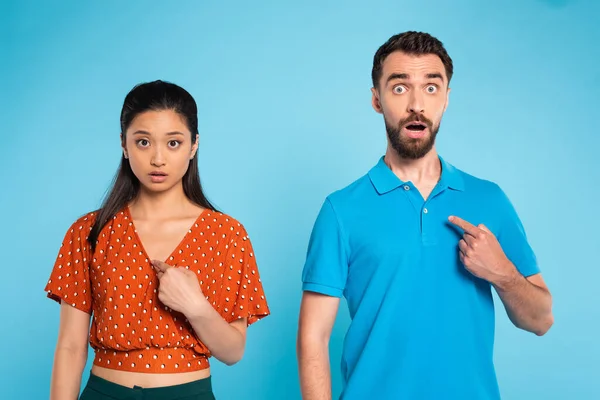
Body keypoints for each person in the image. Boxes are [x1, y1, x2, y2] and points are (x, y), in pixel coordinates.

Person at [297, 31, 553, 400]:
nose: (416, 104)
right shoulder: (341, 210)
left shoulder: (489, 199)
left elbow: (541, 320)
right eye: (399, 88)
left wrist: (503, 274)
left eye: (431, 88)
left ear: (447, 98)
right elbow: (313, 339)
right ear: (376, 99)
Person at [44, 80, 270, 400]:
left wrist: (195, 306)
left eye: (173, 143)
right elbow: (69, 346)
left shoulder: (227, 235)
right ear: (124, 144)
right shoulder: (89, 231)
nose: (158, 159)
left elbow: (233, 351)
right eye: (143, 142)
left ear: (194, 146)